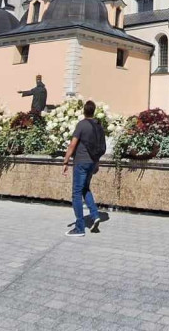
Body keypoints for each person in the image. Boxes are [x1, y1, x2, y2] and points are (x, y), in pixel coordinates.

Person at [61, 100, 105, 237]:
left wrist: (65, 161)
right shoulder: (98, 125)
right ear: (94, 111)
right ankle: (95, 215)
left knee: (76, 194)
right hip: (92, 162)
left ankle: (79, 228)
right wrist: (97, 162)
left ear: (84, 111)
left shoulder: (82, 125)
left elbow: (72, 145)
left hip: (81, 162)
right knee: (86, 189)